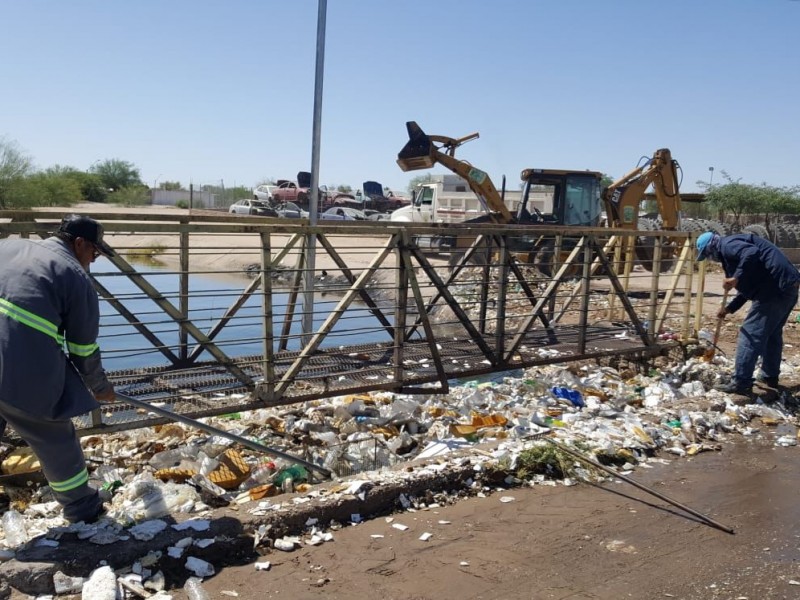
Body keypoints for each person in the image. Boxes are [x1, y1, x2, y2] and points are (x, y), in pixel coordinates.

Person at [0, 214, 116, 523]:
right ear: (79, 243)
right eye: (95, 252)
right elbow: (82, 347)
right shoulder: (74, 276)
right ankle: (82, 508)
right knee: (54, 435)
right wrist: (100, 387)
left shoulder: (9, 248)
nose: (94, 260)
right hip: (17, 366)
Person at [696, 230, 800, 395]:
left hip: (774, 290)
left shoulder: (726, 245)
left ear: (711, 247)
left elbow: (751, 253)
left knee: (749, 334)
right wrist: (730, 308)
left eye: (707, 255)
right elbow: (748, 286)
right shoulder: (734, 253)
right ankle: (769, 376)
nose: (710, 259)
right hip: (787, 287)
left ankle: (741, 382)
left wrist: (735, 277)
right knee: (772, 334)